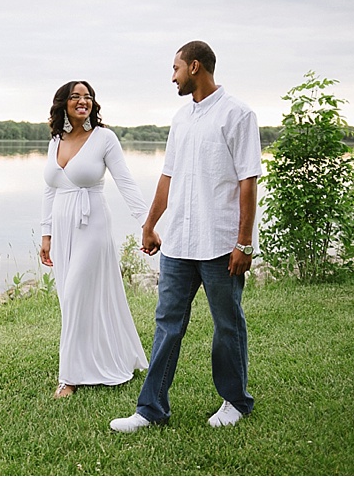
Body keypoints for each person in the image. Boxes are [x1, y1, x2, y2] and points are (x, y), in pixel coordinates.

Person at [110, 41, 262, 431]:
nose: (172, 75)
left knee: (228, 324)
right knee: (167, 323)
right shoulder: (181, 118)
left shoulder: (238, 114)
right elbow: (168, 176)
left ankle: (236, 401)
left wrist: (244, 243)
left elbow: (248, 182)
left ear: (195, 67)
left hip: (219, 243)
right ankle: (151, 409)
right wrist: (149, 223)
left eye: (175, 68)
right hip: (178, 241)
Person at [40, 81, 149, 398]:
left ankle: (68, 378)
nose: (82, 101)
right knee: (69, 298)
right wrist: (45, 234)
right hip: (62, 227)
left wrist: (146, 223)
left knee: (74, 293)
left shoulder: (104, 138)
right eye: (75, 97)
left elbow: (126, 182)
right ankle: (91, 358)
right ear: (63, 103)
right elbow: (49, 189)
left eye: (87, 97)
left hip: (93, 224)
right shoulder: (56, 141)